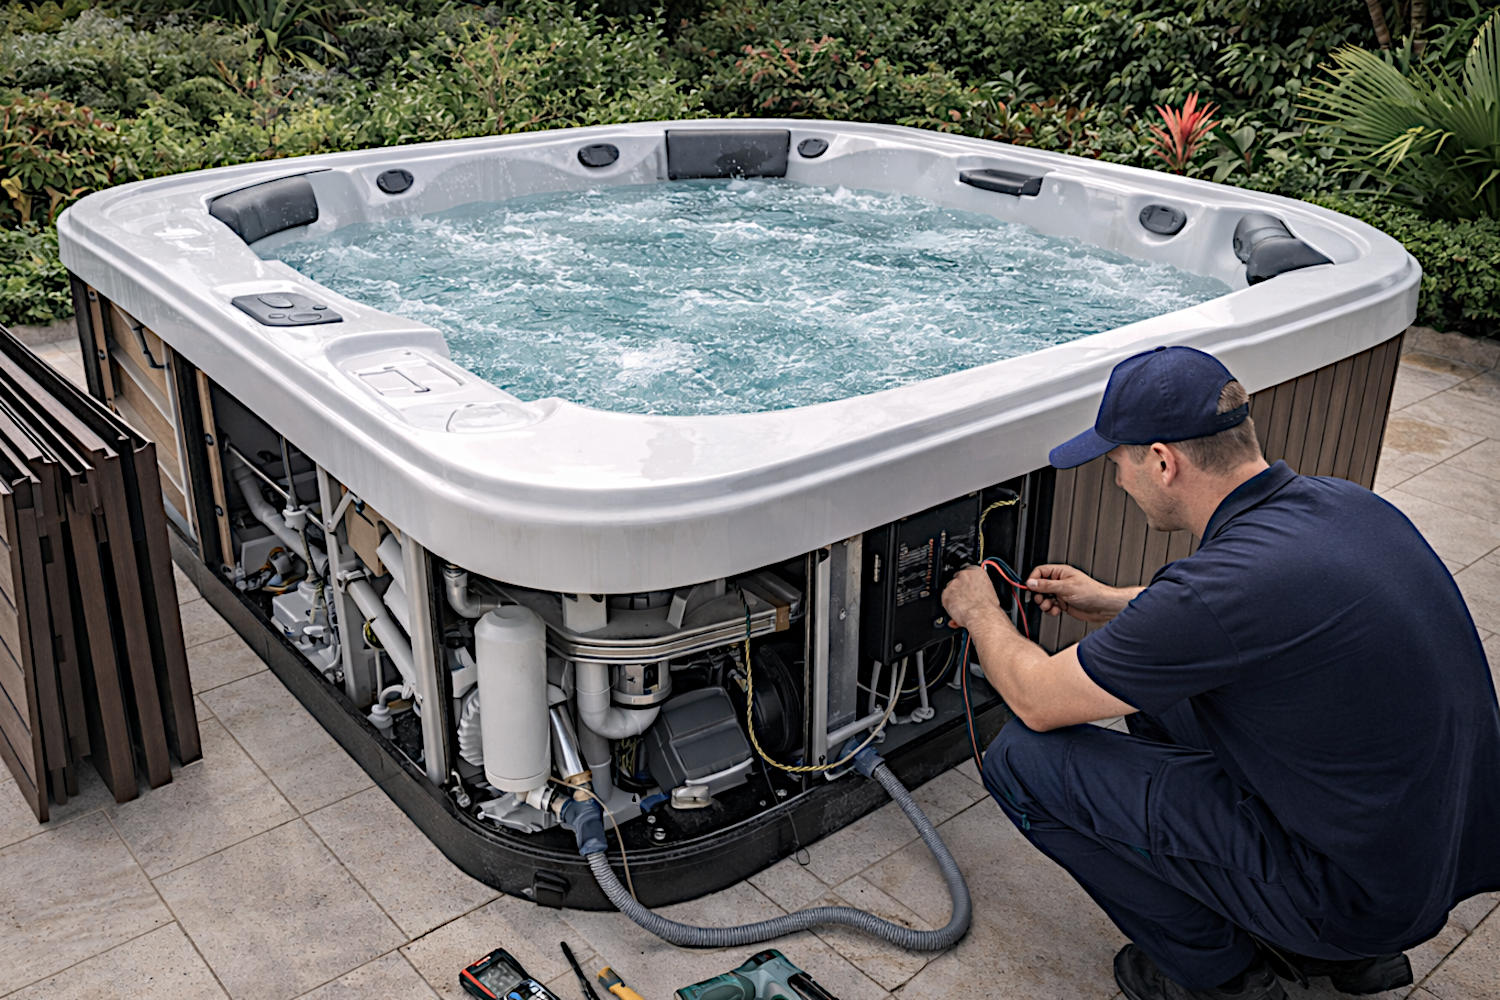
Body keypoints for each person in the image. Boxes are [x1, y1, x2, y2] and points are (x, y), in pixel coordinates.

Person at [940, 346, 1500, 1000]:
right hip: (1425, 857)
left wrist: (980, 613)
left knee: (1022, 761)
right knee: (1159, 700)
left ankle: (1224, 976)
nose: (1117, 480)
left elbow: (1036, 700)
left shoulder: (1217, 593)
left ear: (1162, 461)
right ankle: (1347, 958)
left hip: (1359, 896)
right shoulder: (1343, 505)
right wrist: (1112, 602)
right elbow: (1257, 617)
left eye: (1116, 462)